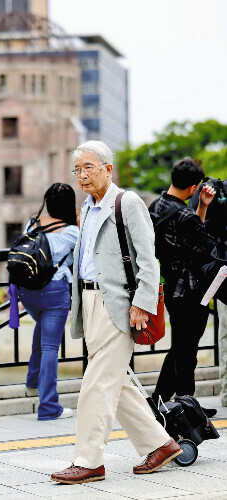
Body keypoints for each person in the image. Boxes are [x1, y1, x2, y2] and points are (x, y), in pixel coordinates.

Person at [51, 141, 180, 485]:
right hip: (90, 302)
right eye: (77, 169)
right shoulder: (89, 207)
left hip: (117, 305)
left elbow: (148, 259)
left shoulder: (128, 202)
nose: (82, 176)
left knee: (96, 384)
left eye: (89, 168)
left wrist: (143, 303)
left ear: (108, 169)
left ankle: (88, 460)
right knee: (113, 380)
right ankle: (160, 444)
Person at [149, 158, 217, 417]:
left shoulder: (158, 205)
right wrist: (201, 210)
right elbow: (205, 248)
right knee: (186, 349)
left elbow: (189, 239)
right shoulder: (185, 216)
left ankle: (167, 400)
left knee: (181, 346)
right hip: (190, 290)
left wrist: (201, 206)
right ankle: (181, 404)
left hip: (170, 286)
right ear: (193, 187)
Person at [18, 183, 79, 420]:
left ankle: (33, 382)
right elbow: (81, 257)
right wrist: (76, 220)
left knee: (42, 327)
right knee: (51, 348)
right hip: (54, 291)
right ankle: (48, 407)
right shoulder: (72, 231)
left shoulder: (32, 224)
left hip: (28, 290)